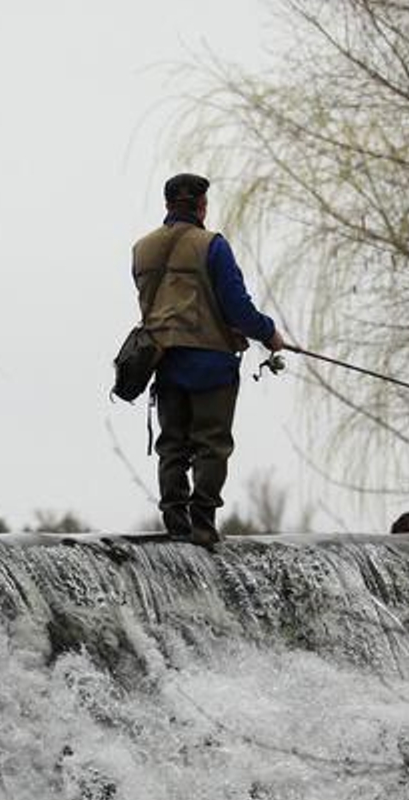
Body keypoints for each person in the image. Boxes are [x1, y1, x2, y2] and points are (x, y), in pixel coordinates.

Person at [132, 173, 285, 545]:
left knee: (172, 445)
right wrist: (269, 333)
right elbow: (237, 308)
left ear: (168, 204)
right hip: (212, 363)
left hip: (162, 360)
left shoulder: (142, 249)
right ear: (201, 206)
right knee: (211, 445)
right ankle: (202, 525)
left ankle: (175, 522)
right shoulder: (213, 245)